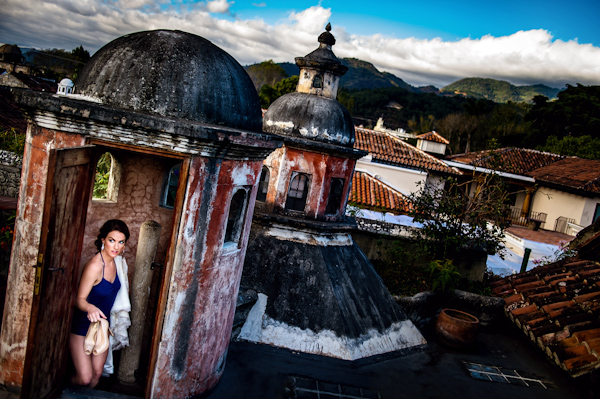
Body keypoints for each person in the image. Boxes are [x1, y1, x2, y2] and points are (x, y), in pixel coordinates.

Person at [69, 219, 130, 388]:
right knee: (85, 378)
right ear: (103, 240)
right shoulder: (95, 266)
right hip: (82, 327)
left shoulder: (118, 263)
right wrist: (90, 307)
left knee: (97, 374)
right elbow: (79, 299)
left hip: (102, 327)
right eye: (111, 240)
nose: (116, 247)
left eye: (121, 242)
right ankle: (63, 387)